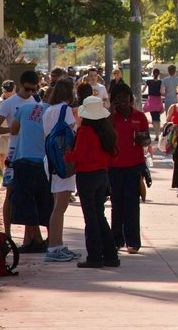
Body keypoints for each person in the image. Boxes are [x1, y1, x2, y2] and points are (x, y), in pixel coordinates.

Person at [66, 95, 119, 268]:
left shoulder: (85, 131)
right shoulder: (106, 130)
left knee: (90, 218)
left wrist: (65, 154)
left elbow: (78, 155)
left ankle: (95, 256)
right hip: (102, 175)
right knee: (99, 215)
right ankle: (111, 255)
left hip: (87, 176)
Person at [0, 71, 43, 240]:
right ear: (21, 86)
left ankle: (31, 237)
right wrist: (12, 130)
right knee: (10, 193)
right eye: (27, 89)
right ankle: (7, 233)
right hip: (14, 153)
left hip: (32, 153)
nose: (30, 93)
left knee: (32, 195)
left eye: (34, 90)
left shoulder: (37, 101)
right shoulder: (9, 103)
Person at [7, 71, 54, 253]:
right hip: (45, 163)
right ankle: (50, 238)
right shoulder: (54, 113)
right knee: (46, 202)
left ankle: (36, 239)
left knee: (26, 202)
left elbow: (13, 130)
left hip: (24, 161)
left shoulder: (25, 109)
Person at [41, 78, 81, 263]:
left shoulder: (48, 110)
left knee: (58, 204)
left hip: (50, 159)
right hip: (63, 161)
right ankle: (53, 247)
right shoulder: (65, 110)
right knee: (60, 207)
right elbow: (72, 132)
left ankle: (58, 244)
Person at [107, 83, 149, 253]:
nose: (123, 100)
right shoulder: (110, 117)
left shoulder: (140, 116)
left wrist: (142, 140)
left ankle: (133, 241)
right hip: (114, 167)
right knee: (116, 204)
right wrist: (111, 110)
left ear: (131, 98)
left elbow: (146, 139)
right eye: (118, 97)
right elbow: (107, 134)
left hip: (134, 166)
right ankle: (117, 240)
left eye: (126, 97)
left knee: (132, 205)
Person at [0, 80, 16, 175]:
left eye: (10, 90)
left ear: (14, 89)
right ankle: (4, 175)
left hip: (13, 134)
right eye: (6, 91)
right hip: (2, 133)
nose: (8, 93)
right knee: (2, 155)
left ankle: (12, 175)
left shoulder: (17, 101)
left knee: (13, 156)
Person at [143, 69, 165, 156]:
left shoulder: (148, 81)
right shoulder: (160, 82)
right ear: (159, 74)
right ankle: (157, 134)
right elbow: (161, 91)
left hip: (151, 99)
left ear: (153, 73)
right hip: (158, 100)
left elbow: (143, 90)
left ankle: (156, 134)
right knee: (158, 117)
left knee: (153, 117)